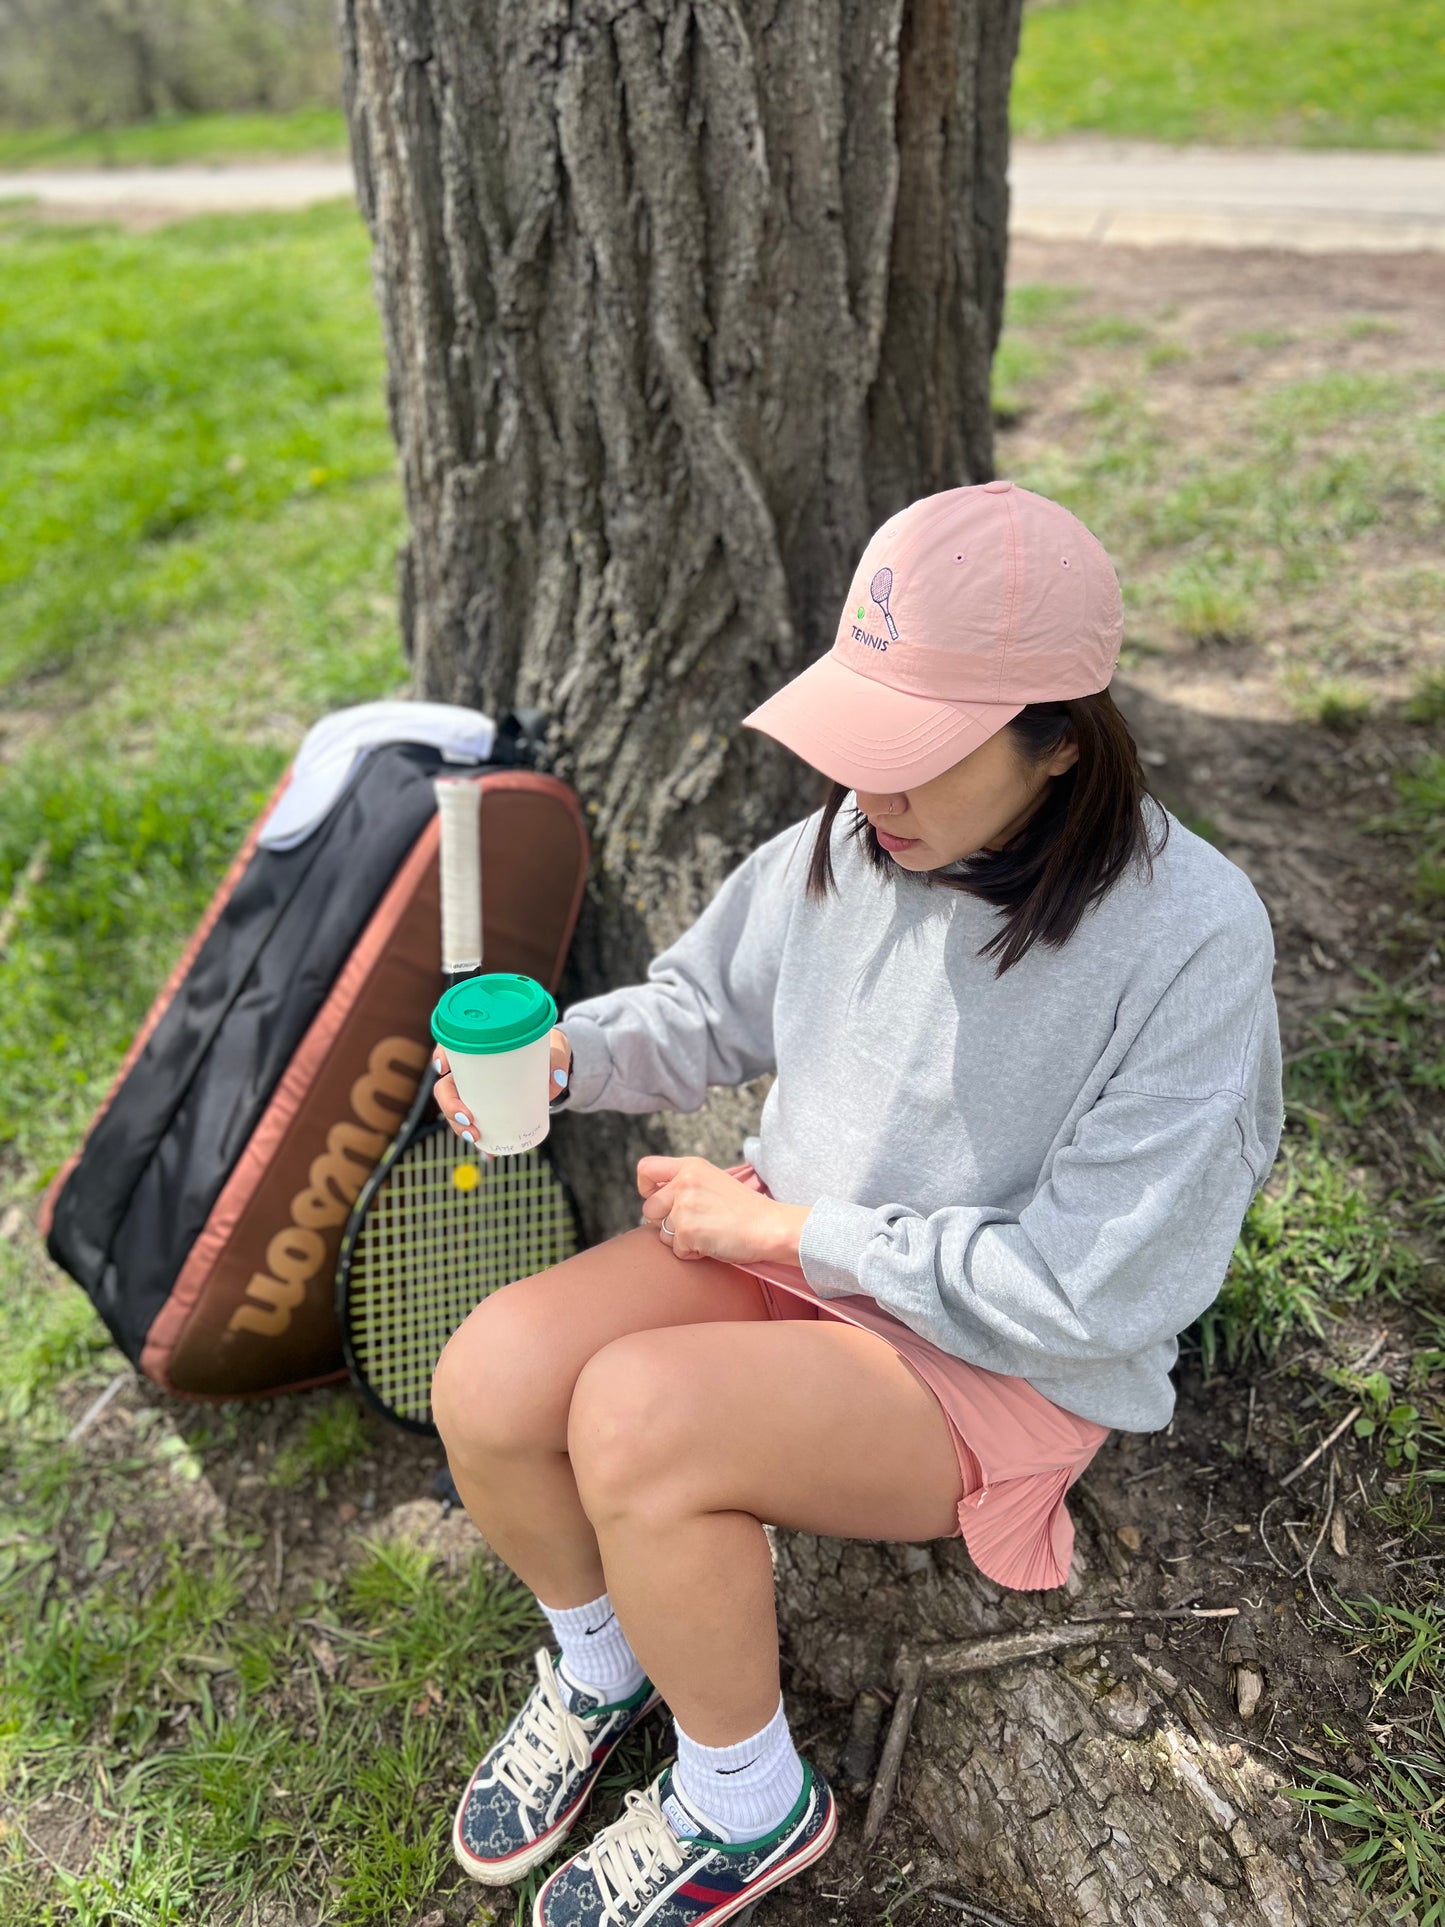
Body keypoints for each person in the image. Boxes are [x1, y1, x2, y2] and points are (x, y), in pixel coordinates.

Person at [428, 481, 1284, 1927]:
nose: (868, 793)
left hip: (991, 1357)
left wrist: (792, 1237)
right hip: (803, 1252)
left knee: (634, 1417)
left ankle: (743, 1802)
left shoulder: (1190, 940)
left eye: (914, 757)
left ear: (1059, 745)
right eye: (857, 741)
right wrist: (574, 1055)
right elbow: (707, 1008)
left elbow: (1100, 1288)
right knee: (492, 1374)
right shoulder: (854, 840)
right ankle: (599, 1655)